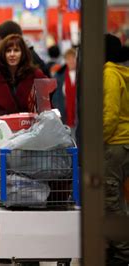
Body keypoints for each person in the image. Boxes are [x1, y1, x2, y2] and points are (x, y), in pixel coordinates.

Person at [0, 34, 47, 125]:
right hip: (2, 131)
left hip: (32, 130)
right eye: (8, 51)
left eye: (16, 50)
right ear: (3, 54)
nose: (12, 54)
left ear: (23, 53)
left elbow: (46, 107)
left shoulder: (36, 76)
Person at [102, 33, 129, 266]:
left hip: (114, 145)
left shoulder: (109, 74)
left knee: (112, 201)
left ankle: (123, 254)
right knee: (115, 199)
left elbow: (109, 115)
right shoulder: (120, 72)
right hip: (123, 143)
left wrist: (97, 141)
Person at [52, 48, 78, 135]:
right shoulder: (59, 76)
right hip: (65, 113)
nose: (71, 61)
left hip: (78, 113)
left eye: (73, 58)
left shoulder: (82, 74)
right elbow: (56, 97)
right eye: (68, 58)